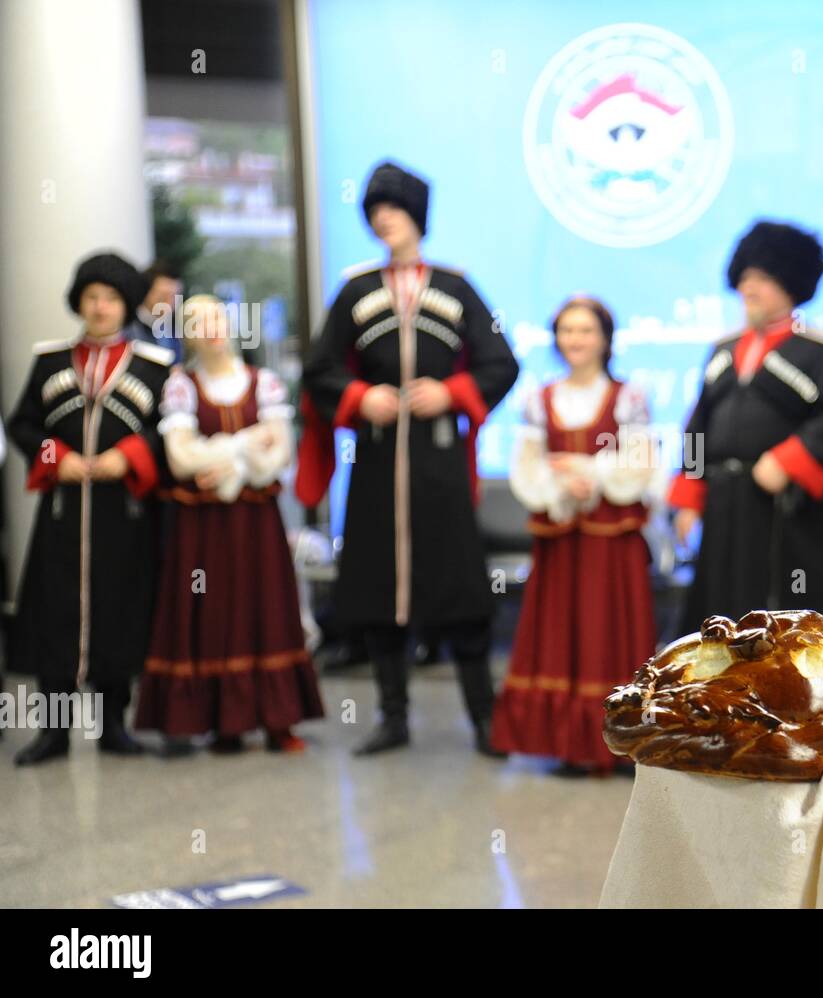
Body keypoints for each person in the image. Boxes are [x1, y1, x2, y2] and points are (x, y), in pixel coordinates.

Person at [298, 161, 519, 756]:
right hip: (373, 462)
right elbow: (319, 368)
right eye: (374, 211)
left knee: (459, 586)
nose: (383, 219)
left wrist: (453, 393)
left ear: (417, 218)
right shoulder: (354, 289)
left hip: (439, 463)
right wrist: (357, 397)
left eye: (393, 209)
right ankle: (392, 718)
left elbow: (502, 362)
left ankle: (483, 720)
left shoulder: (456, 286)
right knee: (375, 587)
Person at [133, 295, 324, 753]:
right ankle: (225, 721)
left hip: (256, 519)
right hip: (205, 527)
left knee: (266, 607)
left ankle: (278, 718)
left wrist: (230, 463)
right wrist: (244, 445)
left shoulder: (265, 383)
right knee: (213, 606)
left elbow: (279, 455)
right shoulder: (181, 387)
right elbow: (181, 459)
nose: (211, 327)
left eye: (218, 317)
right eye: (198, 321)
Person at [666, 221, 823, 634]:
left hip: (789, 517)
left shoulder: (820, 350)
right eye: (745, 276)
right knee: (717, 623)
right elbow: (697, 429)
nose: (749, 287)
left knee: (789, 631)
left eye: (762, 277)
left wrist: (789, 460)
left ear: (791, 283)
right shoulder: (722, 350)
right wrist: (689, 495)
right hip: (725, 512)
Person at [7, 252, 172, 765]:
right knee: (54, 613)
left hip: (123, 514)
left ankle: (113, 726)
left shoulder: (155, 367)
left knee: (117, 610)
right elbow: (24, 425)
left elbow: (167, 431)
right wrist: (59, 459)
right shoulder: (50, 360)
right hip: (63, 511)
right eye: (92, 297)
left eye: (112, 299)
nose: (101, 308)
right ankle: (53, 733)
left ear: (126, 306)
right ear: (79, 301)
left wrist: (129, 458)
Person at [491, 296, 656, 774]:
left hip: (612, 539)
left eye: (585, 330)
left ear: (605, 337)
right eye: (566, 330)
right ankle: (571, 743)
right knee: (563, 631)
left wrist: (591, 471)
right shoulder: (539, 398)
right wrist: (559, 483)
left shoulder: (628, 396)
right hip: (562, 538)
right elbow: (527, 468)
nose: (575, 340)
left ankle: (622, 742)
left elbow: (640, 462)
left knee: (611, 629)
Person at [124, 260, 184, 363]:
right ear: (145, 291)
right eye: (163, 296)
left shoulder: (175, 329)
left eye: (174, 297)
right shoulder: (126, 328)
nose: (169, 303)